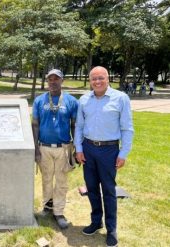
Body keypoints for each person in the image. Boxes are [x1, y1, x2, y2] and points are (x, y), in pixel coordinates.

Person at [74, 66, 134, 247]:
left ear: (108, 79)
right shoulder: (84, 100)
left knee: (108, 190)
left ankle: (111, 229)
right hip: (88, 148)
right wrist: (78, 148)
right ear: (90, 80)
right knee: (91, 188)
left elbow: (127, 128)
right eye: (94, 79)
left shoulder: (121, 98)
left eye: (101, 78)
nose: (97, 82)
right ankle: (96, 221)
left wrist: (123, 153)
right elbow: (79, 126)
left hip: (109, 151)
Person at [32, 69, 78, 229]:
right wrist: (35, 149)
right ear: (47, 81)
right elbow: (35, 125)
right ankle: (47, 207)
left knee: (61, 181)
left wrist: (76, 148)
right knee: (46, 179)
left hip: (63, 148)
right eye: (50, 79)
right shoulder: (39, 101)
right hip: (43, 147)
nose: (53, 82)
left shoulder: (72, 101)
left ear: (62, 81)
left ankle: (59, 212)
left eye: (56, 79)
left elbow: (74, 125)